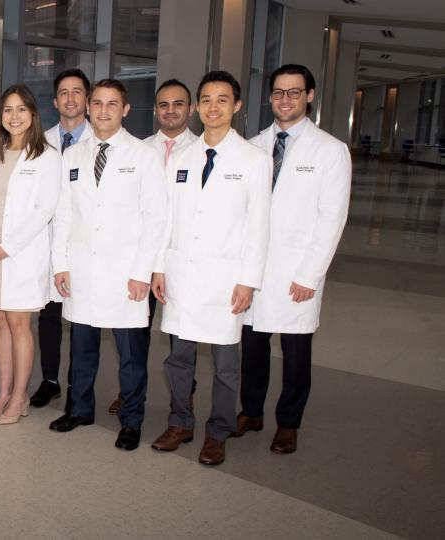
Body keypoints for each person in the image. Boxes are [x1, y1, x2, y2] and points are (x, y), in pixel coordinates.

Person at [150, 71, 271, 466]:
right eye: (206, 99)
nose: (213, 107)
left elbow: (259, 224)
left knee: (224, 366)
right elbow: (165, 218)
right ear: (197, 107)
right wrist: (158, 268)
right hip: (181, 274)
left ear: (236, 106)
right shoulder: (182, 157)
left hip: (225, 280)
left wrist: (248, 280)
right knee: (178, 358)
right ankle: (180, 421)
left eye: (222, 99)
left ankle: (218, 431)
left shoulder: (253, 159)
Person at [46, 79, 167, 451]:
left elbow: (156, 218)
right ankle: (80, 408)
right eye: (96, 103)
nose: (102, 110)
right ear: (87, 108)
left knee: (131, 355)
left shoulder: (144, 155)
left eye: (111, 104)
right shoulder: (73, 155)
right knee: (81, 348)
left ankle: (131, 420)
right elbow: (63, 214)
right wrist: (60, 264)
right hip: (82, 268)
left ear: (126, 110)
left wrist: (141, 272)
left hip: (125, 273)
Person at [235, 64, 350, 455]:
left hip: (297, 272)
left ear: (310, 96)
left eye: (294, 92)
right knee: (252, 347)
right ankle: (251, 411)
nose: (285, 99)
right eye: (279, 92)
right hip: (254, 270)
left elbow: (332, 218)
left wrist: (310, 275)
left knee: (296, 354)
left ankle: (288, 422)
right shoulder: (253, 146)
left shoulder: (331, 151)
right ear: (270, 97)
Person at [0, 84, 61, 425]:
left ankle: (20, 396)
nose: (14, 116)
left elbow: (44, 208)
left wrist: (7, 246)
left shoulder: (47, 155)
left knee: (19, 323)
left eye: (21, 109)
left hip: (19, 253)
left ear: (33, 114)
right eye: (7, 109)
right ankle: (4, 393)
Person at [108, 78, 200, 416]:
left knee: (181, 336)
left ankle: (184, 395)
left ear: (190, 109)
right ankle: (130, 392)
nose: (170, 110)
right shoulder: (140, 150)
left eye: (178, 104)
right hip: (141, 258)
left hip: (181, 259)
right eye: (163, 104)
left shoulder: (203, 150)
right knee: (134, 334)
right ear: (155, 110)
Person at [32, 68, 95, 411]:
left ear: (87, 99)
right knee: (49, 317)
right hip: (48, 243)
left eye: (77, 92)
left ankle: (78, 386)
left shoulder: (98, 143)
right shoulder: (42, 142)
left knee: (81, 321)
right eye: (64, 93)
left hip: (84, 246)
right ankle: (50, 379)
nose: (70, 99)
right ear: (55, 101)